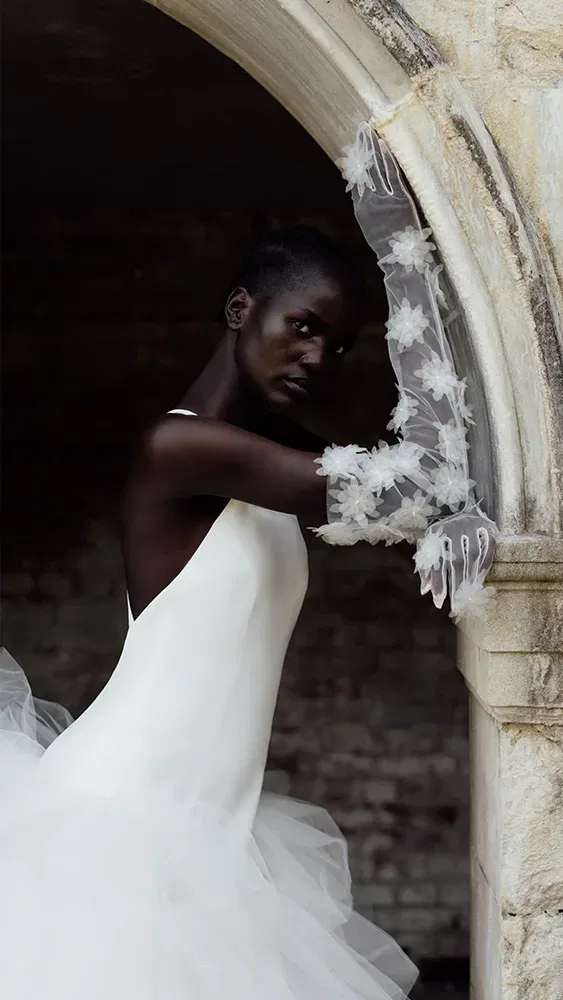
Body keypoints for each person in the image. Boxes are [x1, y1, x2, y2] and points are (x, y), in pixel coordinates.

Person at [0, 227, 420, 999]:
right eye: (304, 327)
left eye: (339, 348)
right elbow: (400, 492)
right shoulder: (178, 448)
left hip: (212, 831)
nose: (318, 360)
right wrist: (413, 262)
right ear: (240, 308)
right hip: (123, 819)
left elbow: (415, 479)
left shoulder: (259, 450)